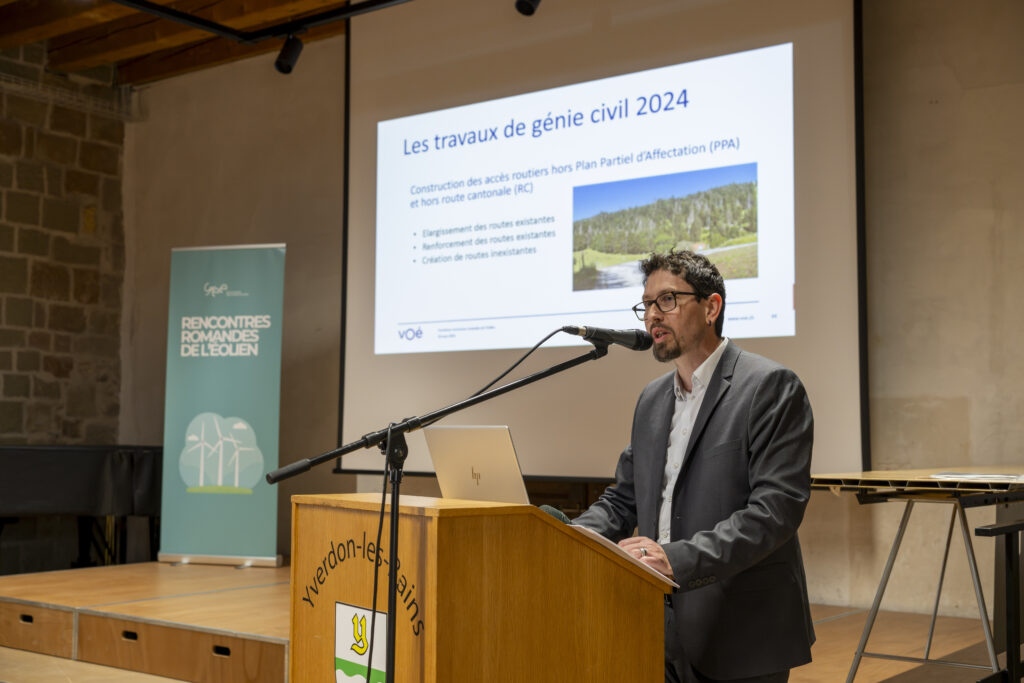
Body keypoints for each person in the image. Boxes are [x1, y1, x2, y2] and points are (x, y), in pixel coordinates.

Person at [573, 250, 815, 683]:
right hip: (659, 625)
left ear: (711, 307)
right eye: (646, 304)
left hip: (741, 630)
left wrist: (674, 559)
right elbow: (624, 499)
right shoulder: (652, 399)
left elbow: (774, 513)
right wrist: (567, 536)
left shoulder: (770, 387)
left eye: (667, 300)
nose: (653, 315)